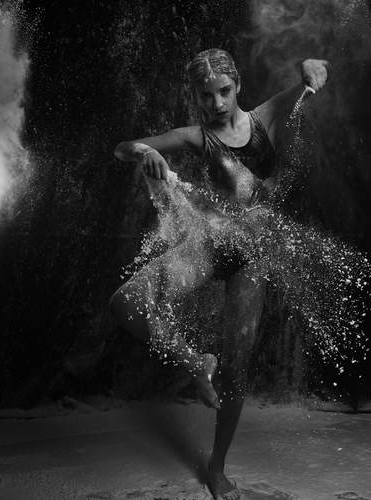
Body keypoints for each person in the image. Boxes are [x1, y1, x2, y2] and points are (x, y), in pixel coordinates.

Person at [110, 48, 328, 500]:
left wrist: (313, 69)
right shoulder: (196, 136)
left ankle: (217, 467)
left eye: (224, 91)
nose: (217, 104)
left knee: (237, 368)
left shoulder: (264, 117)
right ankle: (195, 363)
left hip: (252, 257)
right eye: (206, 96)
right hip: (211, 245)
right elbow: (124, 147)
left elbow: (308, 79)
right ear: (196, 96)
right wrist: (147, 152)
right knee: (125, 303)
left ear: (238, 85)